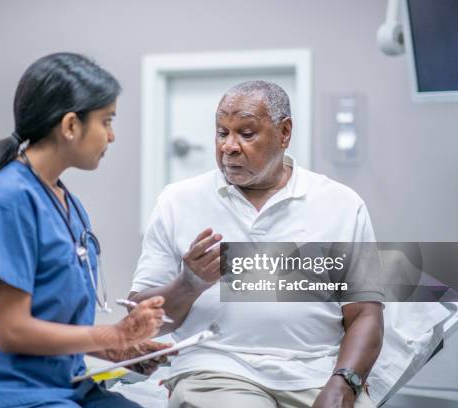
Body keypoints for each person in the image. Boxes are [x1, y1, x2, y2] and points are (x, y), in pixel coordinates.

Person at [129, 81, 384, 408]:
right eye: (222, 133)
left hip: (317, 372)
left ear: (284, 133)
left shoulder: (342, 205)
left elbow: (365, 314)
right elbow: (138, 324)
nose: (228, 147)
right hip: (218, 369)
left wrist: (344, 384)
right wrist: (187, 284)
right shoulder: (178, 202)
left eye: (246, 134)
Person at [0, 52, 169, 408]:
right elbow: (13, 330)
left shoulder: (65, 201)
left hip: (63, 382)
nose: (112, 136)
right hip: (4, 389)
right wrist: (114, 333)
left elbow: (55, 318)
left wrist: (121, 347)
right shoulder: (9, 199)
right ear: (71, 126)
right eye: (106, 121)